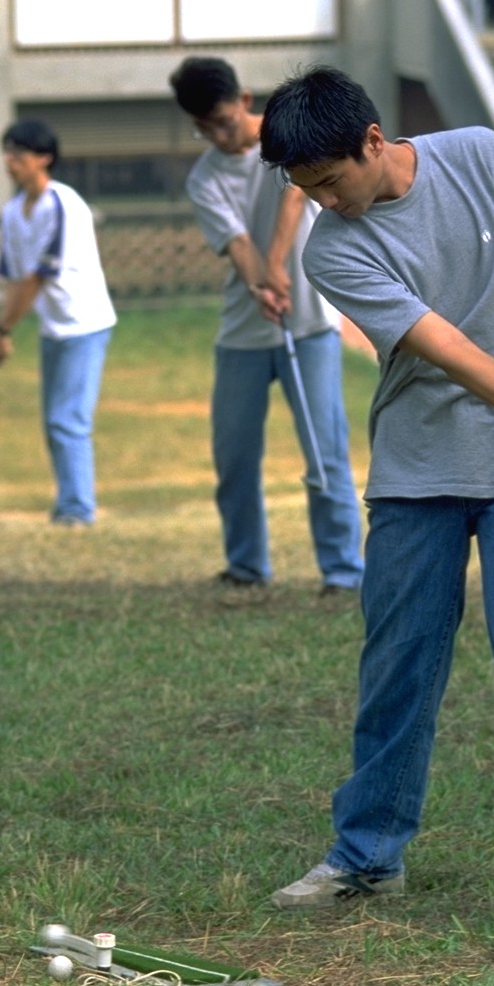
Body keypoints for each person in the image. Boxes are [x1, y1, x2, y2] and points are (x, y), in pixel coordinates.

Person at [258, 65, 494, 955]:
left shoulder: (482, 158)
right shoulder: (331, 249)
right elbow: (449, 349)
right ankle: (366, 855)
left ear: (373, 141)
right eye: (306, 191)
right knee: (398, 668)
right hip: (418, 466)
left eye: (330, 181)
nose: (323, 203)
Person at [169, 56, 364, 597]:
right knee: (233, 456)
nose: (217, 136)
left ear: (244, 101)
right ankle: (247, 566)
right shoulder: (204, 177)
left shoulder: (284, 139)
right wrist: (261, 284)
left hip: (309, 324)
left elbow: (295, 194)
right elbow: (236, 244)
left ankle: (343, 571)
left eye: (223, 122)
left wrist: (277, 267)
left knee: (324, 450)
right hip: (242, 333)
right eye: (204, 128)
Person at [0, 118, 116, 526]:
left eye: (18, 154)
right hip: (53, 327)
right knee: (54, 421)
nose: (9, 161)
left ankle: (77, 510)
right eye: (7, 153)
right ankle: (69, 503)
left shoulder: (63, 205)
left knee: (67, 419)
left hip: (84, 324)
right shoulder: (11, 212)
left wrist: (2, 333)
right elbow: (15, 278)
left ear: (44, 159)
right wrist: (0, 336)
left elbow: (36, 278)